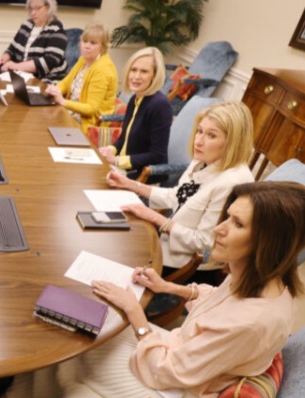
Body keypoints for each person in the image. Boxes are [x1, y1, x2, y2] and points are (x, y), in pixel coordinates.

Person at [4, 181, 305, 398]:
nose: (219, 229)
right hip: (180, 357)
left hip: (173, 395)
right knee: (90, 323)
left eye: (237, 224)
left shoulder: (253, 321)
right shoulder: (266, 281)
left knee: (79, 341)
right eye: (227, 217)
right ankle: (19, 392)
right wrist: (169, 287)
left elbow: (166, 373)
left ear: (270, 242)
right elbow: (217, 300)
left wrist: (136, 314)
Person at [105, 100, 255, 279]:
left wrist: (157, 219)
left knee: (111, 255)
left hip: (187, 266)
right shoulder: (205, 159)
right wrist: (131, 185)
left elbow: (206, 243)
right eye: (200, 131)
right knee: (110, 237)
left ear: (232, 142)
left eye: (211, 135)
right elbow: (176, 196)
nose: (198, 141)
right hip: (166, 244)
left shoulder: (232, 183)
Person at [97, 47, 172, 183]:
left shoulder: (160, 105)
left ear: (154, 75)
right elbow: (124, 139)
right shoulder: (135, 99)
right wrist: (110, 150)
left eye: (144, 71)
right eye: (133, 70)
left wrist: (117, 161)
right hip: (123, 170)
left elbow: (157, 155)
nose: (136, 76)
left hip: (143, 178)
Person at [43, 22, 118, 130]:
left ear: (103, 47)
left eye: (93, 43)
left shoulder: (103, 69)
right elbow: (66, 83)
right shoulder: (84, 58)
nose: (87, 46)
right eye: (85, 41)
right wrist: (54, 90)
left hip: (88, 123)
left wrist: (63, 102)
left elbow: (91, 109)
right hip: (72, 113)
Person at [0, 0, 68, 83]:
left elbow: (48, 61)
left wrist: (16, 66)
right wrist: (4, 58)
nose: (33, 13)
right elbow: (12, 49)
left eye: (37, 8)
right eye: (31, 8)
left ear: (48, 7)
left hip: (48, 81)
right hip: (23, 78)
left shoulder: (57, 30)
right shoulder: (26, 25)